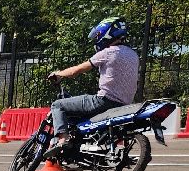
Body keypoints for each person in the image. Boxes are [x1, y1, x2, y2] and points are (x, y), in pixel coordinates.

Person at [44, 17, 140, 157]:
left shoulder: (108, 52)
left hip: (103, 101)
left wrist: (58, 74)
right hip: (124, 104)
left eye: (98, 36)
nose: (97, 39)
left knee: (58, 105)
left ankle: (63, 139)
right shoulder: (133, 54)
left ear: (107, 33)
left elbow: (76, 71)